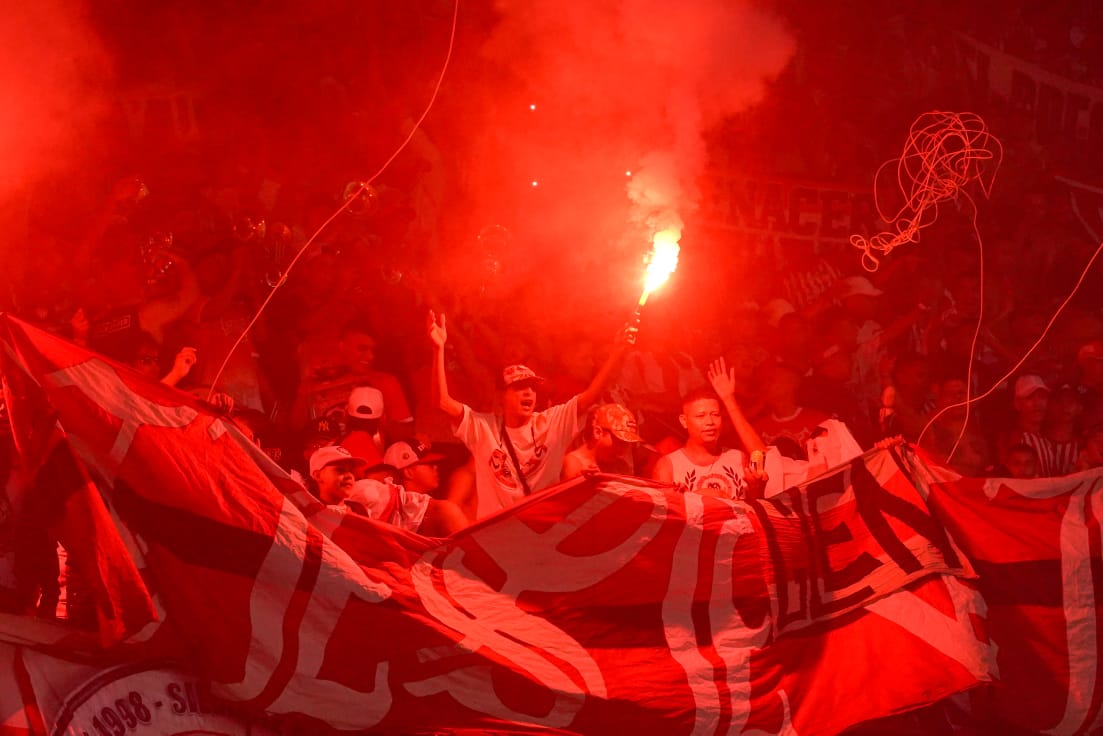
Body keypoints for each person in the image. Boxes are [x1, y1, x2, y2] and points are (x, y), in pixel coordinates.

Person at [428, 311, 631, 521]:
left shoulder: (552, 422)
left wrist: (618, 352)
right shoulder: (483, 427)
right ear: (501, 397)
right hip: (496, 534)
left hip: (538, 533)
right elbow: (441, 402)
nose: (528, 393)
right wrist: (438, 349)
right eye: (519, 387)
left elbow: (591, 396)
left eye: (532, 388)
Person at [651, 358, 778, 501]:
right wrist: (694, 497)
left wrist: (756, 488)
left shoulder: (738, 458)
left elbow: (753, 507)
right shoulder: (668, 466)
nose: (710, 422)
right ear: (684, 421)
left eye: (715, 415)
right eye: (700, 416)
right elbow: (663, 511)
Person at [308, 445, 464, 536]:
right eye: (340, 470)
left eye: (351, 471)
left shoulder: (359, 508)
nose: (349, 476)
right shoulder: (363, 492)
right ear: (317, 475)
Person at [561, 403, 644, 481]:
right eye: (619, 442)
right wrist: (581, 482)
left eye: (626, 444)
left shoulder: (621, 467)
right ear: (597, 432)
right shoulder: (574, 464)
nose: (621, 452)